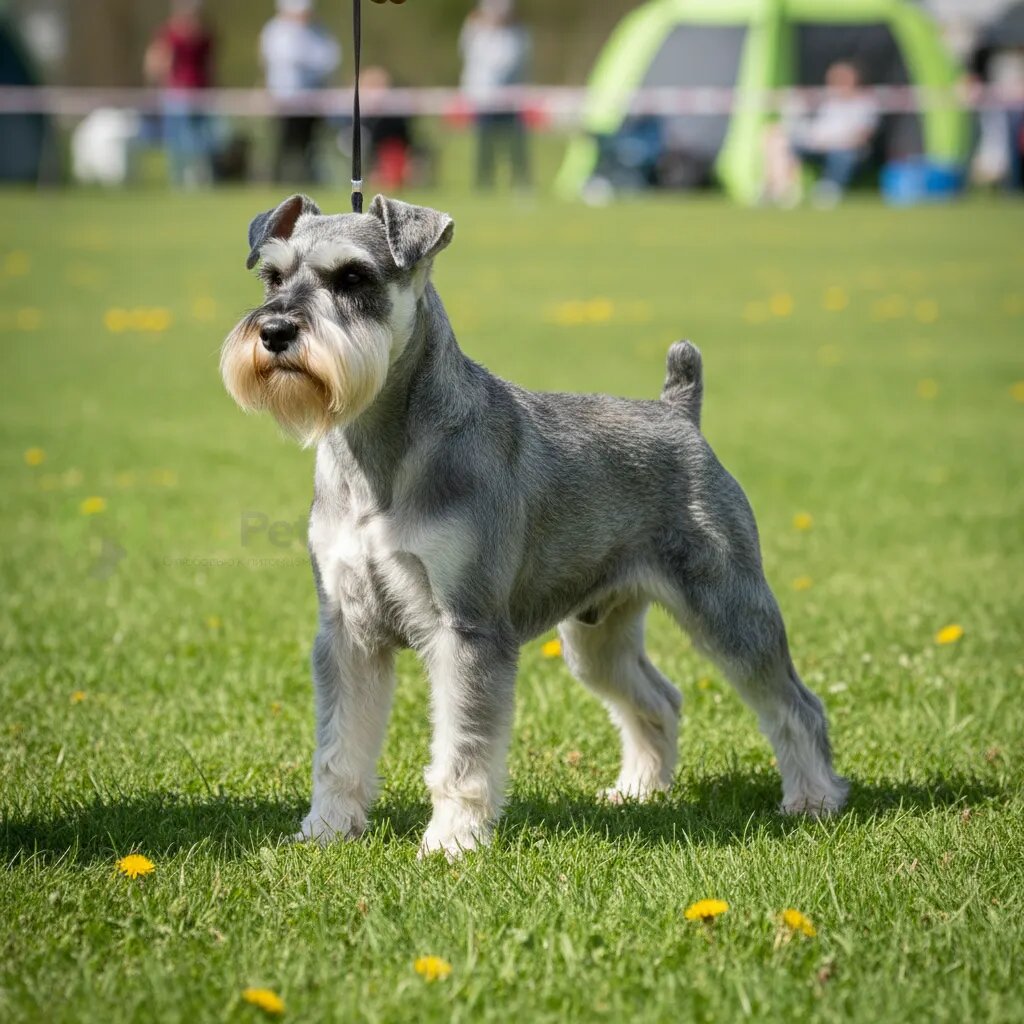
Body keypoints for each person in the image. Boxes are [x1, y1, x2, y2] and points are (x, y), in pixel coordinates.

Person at [762, 61, 879, 207]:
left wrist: (832, 142)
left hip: (845, 148)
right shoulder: (829, 101)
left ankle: (830, 188)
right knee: (779, 137)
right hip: (817, 145)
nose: (837, 82)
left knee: (843, 154)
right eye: (835, 78)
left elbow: (862, 136)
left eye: (842, 78)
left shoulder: (865, 104)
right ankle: (782, 187)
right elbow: (817, 128)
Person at [260, 0, 340, 184]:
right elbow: (285, 59)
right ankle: (277, 180)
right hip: (284, 99)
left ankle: (307, 179)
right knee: (284, 143)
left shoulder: (318, 31)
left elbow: (328, 59)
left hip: (312, 99)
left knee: (309, 143)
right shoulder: (275, 31)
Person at [459, 0, 532, 191]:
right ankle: (484, 183)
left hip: (510, 98)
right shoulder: (475, 32)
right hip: (484, 99)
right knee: (485, 144)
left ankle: (521, 182)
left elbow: (511, 62)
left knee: (515, 144)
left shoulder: (517, 34)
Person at [144, 0, 216, 188]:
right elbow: (158, 60)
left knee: (200, 140)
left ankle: (199, 180)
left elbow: (209, 65)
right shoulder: (169, 33)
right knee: (177, 141)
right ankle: (178, 181)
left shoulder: (204, 35)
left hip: (200, 93)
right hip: (176, 94)